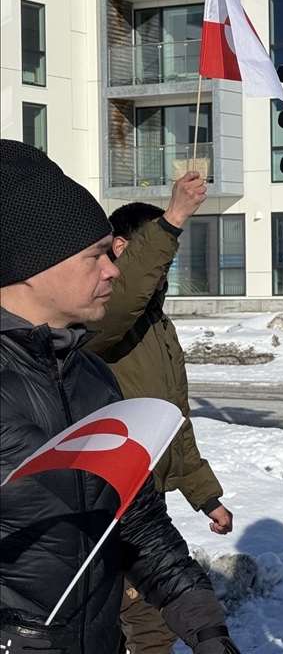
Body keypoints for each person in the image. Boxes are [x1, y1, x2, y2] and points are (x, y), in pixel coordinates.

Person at [0, 139, 239, 653]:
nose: (112, 269)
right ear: (29, 266)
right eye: (95, 256)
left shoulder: (90, 376)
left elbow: (135, 519)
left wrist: (202, 622)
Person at [85, 174, 233, 654]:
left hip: (149, 502)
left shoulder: (156, 325)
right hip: (110, 499)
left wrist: (205, 494)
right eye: (157, 252)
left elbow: (173, 422)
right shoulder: (100, 321)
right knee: (141, 626)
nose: (166, 265)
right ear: (123, 248)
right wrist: (172, 220)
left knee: (151, 626)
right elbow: (124, 296)